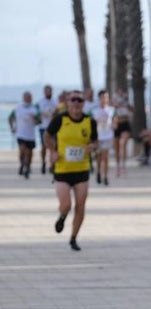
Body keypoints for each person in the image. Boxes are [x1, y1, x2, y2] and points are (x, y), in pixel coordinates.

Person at [45, 92, 96, 251]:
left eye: (79, 100)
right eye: (73, 99)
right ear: (67, 102)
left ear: (83, 103)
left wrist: (92, 147)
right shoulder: (60, 119)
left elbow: (95, 141)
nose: (76, 103)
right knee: (66, 205)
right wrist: (52, 151)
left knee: (80, 206)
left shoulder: (89, 121)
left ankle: (73, 238)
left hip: (81, 170)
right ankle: (62, 216)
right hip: (62, 170)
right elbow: (47, 136)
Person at [12, 91, 38, 179]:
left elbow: (39, 121)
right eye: (26, 97)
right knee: (22, 151)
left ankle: (28, 167)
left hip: (30, 135)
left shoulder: (34, 108)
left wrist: (34, 119)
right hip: (21, 134)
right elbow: (10, 117)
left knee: (30, 153)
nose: (28, 98)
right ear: (23, 98)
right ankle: (22, 164)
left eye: (29, 97)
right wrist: (12, 127)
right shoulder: (18, 107)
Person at [91, 90, 115, 186]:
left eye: (107, 97)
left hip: (108, 136)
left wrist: (114, 124)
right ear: (99, 98)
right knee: (99, 157)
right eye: (103, 97)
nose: (105, 99)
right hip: (98, 136)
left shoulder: (112, 110)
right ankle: (98, 173)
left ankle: (105, 176)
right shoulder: (94, 111)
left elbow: (115, 121)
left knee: (106, 156)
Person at [36, 84, 55, 175]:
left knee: (53, 146)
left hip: (53, 128)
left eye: (50, 91)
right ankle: (43, 162)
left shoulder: (54, 102)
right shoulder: (40, 102)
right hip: (43, 127)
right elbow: (37, 114)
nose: (49, 93)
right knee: (44, 146)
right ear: (44, 92)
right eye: (47, 91)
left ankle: (52, 165)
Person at [113, 92, 133, 177]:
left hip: (125, 124)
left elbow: (132, 110)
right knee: (117, 148)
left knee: (123, 144)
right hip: (117, 125)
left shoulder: (127, 104)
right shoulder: (113, 104)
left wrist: (127, 105)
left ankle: (123, 165)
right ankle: (118, 166)